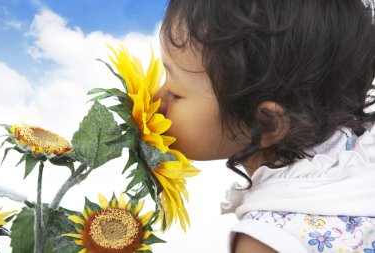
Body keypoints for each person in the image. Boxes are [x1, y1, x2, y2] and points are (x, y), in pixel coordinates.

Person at [154, 0, 375, 252]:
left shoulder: (267, 240)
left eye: (174, 92)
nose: (156, 99)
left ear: (267, 123)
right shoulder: (364, 158)